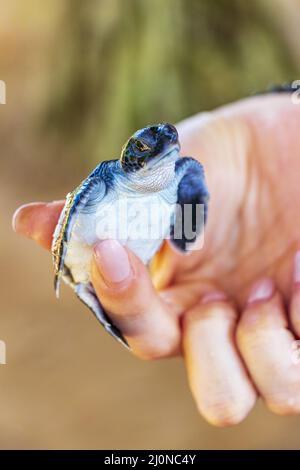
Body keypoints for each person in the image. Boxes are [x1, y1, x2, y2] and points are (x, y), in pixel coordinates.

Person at [12, 92, 300, 427]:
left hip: (144, 252)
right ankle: (91, 297)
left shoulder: (183, 171)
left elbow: (190, 206)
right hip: (90, 259)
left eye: (170, 143)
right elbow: (72, 211)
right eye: (144, 148)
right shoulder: (107, 178)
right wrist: (60, 258)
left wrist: (188, 238)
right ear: (130, 157)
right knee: (92, 285)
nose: (162, 148)